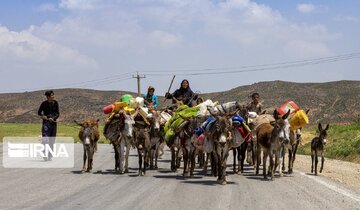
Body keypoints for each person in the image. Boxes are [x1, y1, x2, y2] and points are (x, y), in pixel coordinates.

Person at [38, 90, 59, 161]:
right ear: (48, 97)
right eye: (52, 95)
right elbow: (39, 112)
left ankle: (50, 155)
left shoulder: (56, 103)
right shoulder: (43, 104)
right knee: (45, 139)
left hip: (53, 124)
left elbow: (57, 113)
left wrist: (53, 118)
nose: (53, 96)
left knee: (52, 140)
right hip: (46, 124)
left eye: (53, 95)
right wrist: (42, 116)